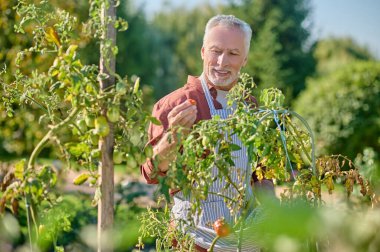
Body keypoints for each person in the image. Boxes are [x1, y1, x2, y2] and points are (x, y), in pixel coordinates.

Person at [141, 14, 274, 251]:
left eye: (233, 53)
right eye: (216, 51)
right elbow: (152, 173)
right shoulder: (176, 104)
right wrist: (174, 137)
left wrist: (273, 210)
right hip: (194, 238)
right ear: (203, 52)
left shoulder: (251, 105)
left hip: (247, 238)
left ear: (244, 59)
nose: (222, 62)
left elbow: (259, 171)